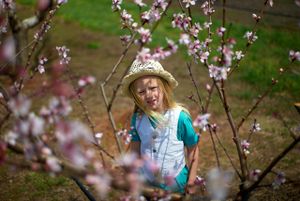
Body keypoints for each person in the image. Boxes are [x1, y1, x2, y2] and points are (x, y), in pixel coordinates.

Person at [122, 59, 199, 194]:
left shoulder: (180, 118)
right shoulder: (137, 119)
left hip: (175, 184)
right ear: (135, 96)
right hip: (146, 181)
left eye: (153, 88)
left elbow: (193, 149)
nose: (149, 95)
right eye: (141, 92)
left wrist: (191, 182)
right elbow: (135, 150)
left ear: (164, 87)